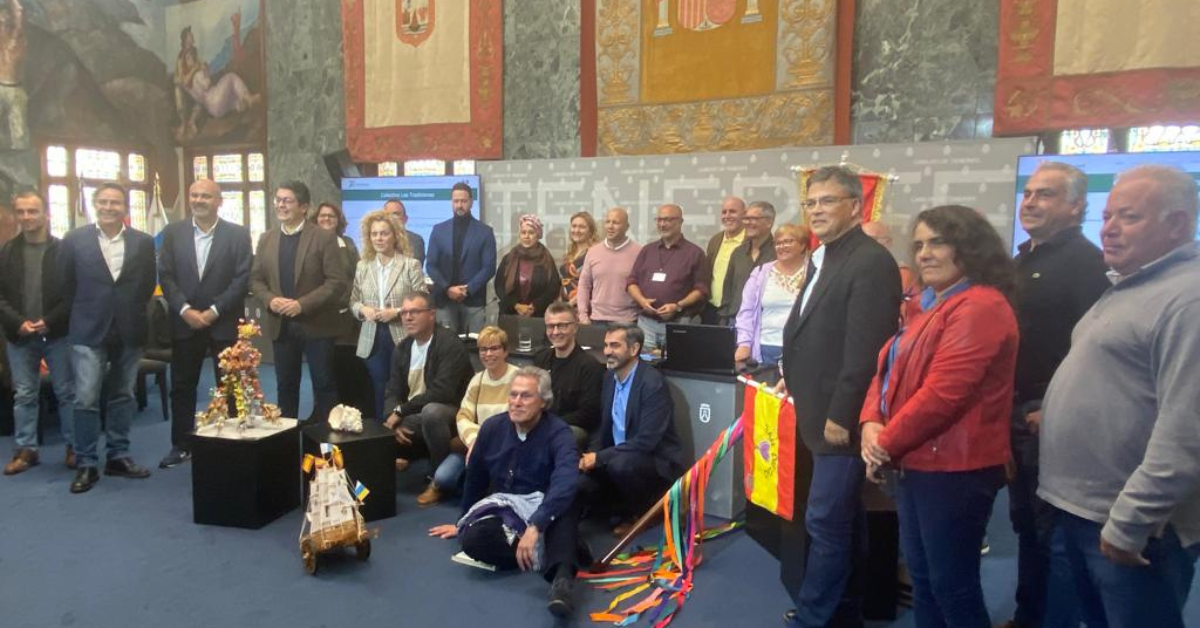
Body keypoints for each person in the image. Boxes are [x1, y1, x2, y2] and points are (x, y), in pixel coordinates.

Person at [1038, 165, 1200, 628]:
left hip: (1129, 522)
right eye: (1107, 217)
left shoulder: (1188, 300)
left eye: (1127, 217)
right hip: (1082, 508)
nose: (1108, 229)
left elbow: (1186, 430)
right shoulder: (1130, 285)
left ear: (1177, 224)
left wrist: (1132, 520)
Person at [859, 205, 1019, 628]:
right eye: (919, 245)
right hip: (917, 460)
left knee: (953, 585)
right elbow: (887, 369)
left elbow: (943, 395)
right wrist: (871, 420)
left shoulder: (980, 305)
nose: (925, 253)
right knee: (925, 580)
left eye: (938, 242)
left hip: (956, 468)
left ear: (969, 248)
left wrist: (883, 445)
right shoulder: (930, 305)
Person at [777, 165, 902, 627]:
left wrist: (843, 413)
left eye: (827, 201)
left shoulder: (869, 261)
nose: (816, 211)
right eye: (811, 203)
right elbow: (813, 329)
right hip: (816, 408)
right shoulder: (825, 255)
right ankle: (846, 610)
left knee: (826, 521)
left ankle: (815, 617)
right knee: (843, 520)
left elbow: (867, 349)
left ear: (855, 206)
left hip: (839, 419)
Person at [1000, 162, 1109, 628]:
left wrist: (1052, 405)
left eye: (1045, 194)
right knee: (1026, 525)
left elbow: (1091, 346)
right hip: (1014, 412)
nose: (1030, 201)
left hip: (1050, 416)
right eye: (1029, 193)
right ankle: (1030, 616)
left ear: (1076, 206)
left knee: (1052, 533)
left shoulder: (1087, 263)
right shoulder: (1023, 260)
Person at [428, 366, 584, 618]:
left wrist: (536, 527)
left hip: (548, 505)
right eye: (513, 395)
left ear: (543, 402)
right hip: (507, 507)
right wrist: (462, 521)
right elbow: (475, 478)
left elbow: (565, 481)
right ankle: (545, 550)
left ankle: (562, 581)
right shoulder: (492, 428)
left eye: (525, 396)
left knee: (566, 507)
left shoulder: (559, 432)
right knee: (472, 539)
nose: (516, 402)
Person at [58, 183, 158, 493]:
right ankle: (87, 462)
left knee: (123, 395)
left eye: (116, 202)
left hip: (129, 328)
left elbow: (145, 287)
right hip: (88, 328)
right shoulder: (74, 241)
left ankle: (118, 455)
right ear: (94, 205)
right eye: (103, 202)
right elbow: (65, 285)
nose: (109, 207)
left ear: (125, 208)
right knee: (86, 397)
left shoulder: (142, 242)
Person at [156, 179, 253, 469]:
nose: (199, 200)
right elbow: (166, 275)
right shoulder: (173, 233)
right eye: (194, 194)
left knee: (232, 384)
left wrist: (212, 311)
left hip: (222, 322)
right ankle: (181, 444)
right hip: (185, 321)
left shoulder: (237, 234)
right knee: (183, 386)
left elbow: (241, 278)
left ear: (219, 201)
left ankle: (235, 442)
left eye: (206, 196)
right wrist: (185, 309)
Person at [249, 181, 348, 423]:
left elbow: (336, 282)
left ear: (304, 207)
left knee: (324, 384)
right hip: (281, 324)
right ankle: (287, 443)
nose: (281, 205)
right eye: (278, 200)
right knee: (285, 385)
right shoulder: (266, 238)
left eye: (287, 200)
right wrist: (270, 300)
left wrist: (301, 304)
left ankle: (329, 448)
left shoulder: (324, 238)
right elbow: (255, 280)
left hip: (317, 324)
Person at [580, 323, 682, 536]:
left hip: (651, 460)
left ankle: (646, 513)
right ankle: (615, 509)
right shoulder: (609, 378)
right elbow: (603, 425)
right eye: (606, 345)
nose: (607, 351)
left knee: (620, 464)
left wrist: (600, 458)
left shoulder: (652, 383)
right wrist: (591, 455)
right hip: (618, 453)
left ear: (634, 349)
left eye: (615, 345)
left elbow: (646, 441)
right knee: (581, 476)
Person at [0, 189, 73, 475]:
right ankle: (26, 450)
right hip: (19, 335)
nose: (27, 217)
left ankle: (74, 448)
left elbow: (72, 293)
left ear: (46, 214)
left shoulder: (63, 251)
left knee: (67, 392)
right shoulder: (6, 252)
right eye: (21, 212)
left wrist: (50, 320)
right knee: (25, 395)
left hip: (57, 333)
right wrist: (18, 321)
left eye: (33, 211)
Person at [382, 292, 474, 506]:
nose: (407, 317)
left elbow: (443, 391)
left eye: (414, 312)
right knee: (378, 429)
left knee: (431, 413)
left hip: (452, 411)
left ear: (432, 314)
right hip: (412, 411)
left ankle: (437, 481)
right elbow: (391, 390)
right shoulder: (402, 348)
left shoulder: (449, 343)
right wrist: (391, 416)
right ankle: (409, 454)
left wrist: (400, 412)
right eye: (404, 312)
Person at [350, 210, 426, 419]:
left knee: (403, 387)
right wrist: (363, 310)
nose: (379, 238)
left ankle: (405, 434)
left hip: (402, 334)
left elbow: (423, 300)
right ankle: (381, 433)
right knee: (379, 387)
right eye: (374, 234)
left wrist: (398, 311)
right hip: (372, 336)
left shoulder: (410, 265)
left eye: (384, 233)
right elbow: (354, 301)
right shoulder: (363, 266)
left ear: (395, 236)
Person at [433, 325, 519, 494]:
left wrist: (485, 440)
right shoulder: (477, 380)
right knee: (443, 478)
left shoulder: (518, 378)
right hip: (476, 443)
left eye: (494, 348)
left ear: (505, 351)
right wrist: (474, 440)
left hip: (506, 445)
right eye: (483, 349)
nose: (488, 354)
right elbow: (463, 416)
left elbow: (518, 420)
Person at [314, 201, 374, 420]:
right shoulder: (310, 243)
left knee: (347, 364)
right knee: (323, 368)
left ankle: (352, 410)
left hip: (348, 316)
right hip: (321, 314)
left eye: (331, 216)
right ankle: (327, 413)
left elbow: (357, 275)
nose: (327, 219)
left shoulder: (347, 243)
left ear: (339, 220)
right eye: (323, 216)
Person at [626, 204, 710, 352]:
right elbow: (631, 282)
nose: (662, 224)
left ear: (680, 222)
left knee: (678, 369)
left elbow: (701, 289)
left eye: (668, 220)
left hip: (679, 324)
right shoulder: (647, 250)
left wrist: (678, 306)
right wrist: (642, 301)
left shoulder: (695, 253)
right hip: (646, 324)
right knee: (646, 368)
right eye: (659, 220)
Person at [734, 223, 810, 369]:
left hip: (803, 350)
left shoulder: (816, 271)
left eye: (788, 241)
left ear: (802, 245)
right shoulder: (760, 272)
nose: (782, 246)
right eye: (778, 243)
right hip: (765, 349)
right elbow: (746, 312)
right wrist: (744, 344)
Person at [426, 182, 496, 334]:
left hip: (473, 300)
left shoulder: (485, 232)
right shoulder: (438, 230)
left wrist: (467, 289)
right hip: (444, 299)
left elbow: (489, 268)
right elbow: (430, 265)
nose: (459, 205)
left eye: (463, 201)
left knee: (473, 346)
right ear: (451, 202)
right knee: (446, 346)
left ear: (471, 202)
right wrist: (447, 288)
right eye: (456, 201)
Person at [532, 302, 604, 447]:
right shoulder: (540, 359)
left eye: (562, 325)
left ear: (575, 327)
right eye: (551, 326)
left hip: (571, 428)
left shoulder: (590, 366)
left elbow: (589, 414)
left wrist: (549, 424)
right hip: (540, 423)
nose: (556, 332)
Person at [577, 207, 641, 325]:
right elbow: (584, 285)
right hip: (597, 319)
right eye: (608, 222)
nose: (610, 226)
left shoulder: (639, 252)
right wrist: (582, 315)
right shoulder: (593, 252)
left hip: (627, 320)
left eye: (615, 222)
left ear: (627, 227)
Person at [718, 200, 777, 325]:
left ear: (769, 222)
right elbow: (728, 291)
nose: (748, 223)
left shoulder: (779, 253)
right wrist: (723, 321)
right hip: (736, 322)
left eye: (753, 219)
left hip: (767, 323)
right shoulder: (738, 253)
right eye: (746, 219)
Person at [495, 214, 561, 318]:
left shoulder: (546, 259)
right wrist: (516, 305)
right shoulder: (509, 258)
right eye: (523, 232)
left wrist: (534, 306)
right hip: (510, 314)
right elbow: (499, 286)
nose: (527, 236)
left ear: (538, 235)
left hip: (538, 315)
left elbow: (553, 287)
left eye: (531, 233)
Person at [862, 220, 921, 324]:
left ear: (888, 242)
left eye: (872, 240)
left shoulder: (904, 275)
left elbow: (907, 315)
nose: (865, 245)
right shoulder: (849, 273)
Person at [704, 196, 746, 323]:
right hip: (712, 310)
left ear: (745, 214)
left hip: (738, 312)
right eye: (724, 212)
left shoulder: (752, 241)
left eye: (732, 211)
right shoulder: (715, 240)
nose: (727, 216)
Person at [560, 211, 599, 304]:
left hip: (583, 307)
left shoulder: (595, 253)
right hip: (567, 306)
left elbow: (594, 285)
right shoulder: (570, 253)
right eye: (574, 226)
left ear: (591, 231)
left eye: (582, 227)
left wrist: (571, 304)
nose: (576, 230)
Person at [383, 198, 425, 264]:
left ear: (405, 219)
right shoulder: (376, 239)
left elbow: (414, 268)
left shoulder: (415, 240)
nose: (391, 217)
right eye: (387, 214)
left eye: (396, 214)